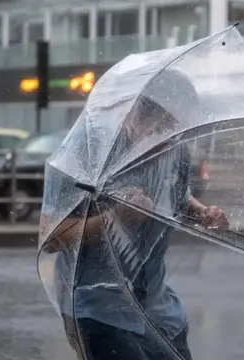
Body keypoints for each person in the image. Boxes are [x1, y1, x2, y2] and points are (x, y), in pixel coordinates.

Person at [41, 71, 228, 360]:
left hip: (160, 311)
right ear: (139, 113)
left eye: (177, 126)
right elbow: (51, 236)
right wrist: (115, 218)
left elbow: (175, 194)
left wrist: (201, 213)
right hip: (98, 310)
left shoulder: (175, 150)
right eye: (165, 124)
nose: (172, 137)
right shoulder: (87, 149)